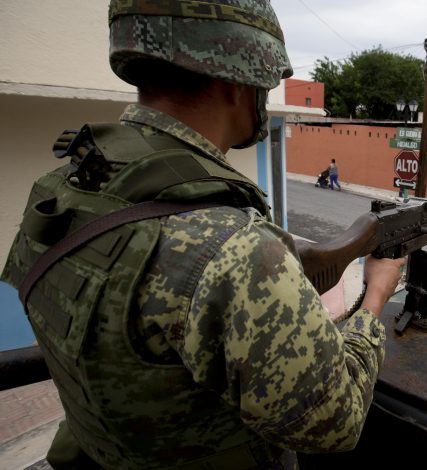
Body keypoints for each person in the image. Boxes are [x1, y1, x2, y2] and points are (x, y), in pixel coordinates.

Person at [0, 2, 404, 468]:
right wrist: (375, 293)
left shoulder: (65, 190)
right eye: (266, 81)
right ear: (238, 78)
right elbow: (338, 422)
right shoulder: (233, 248)